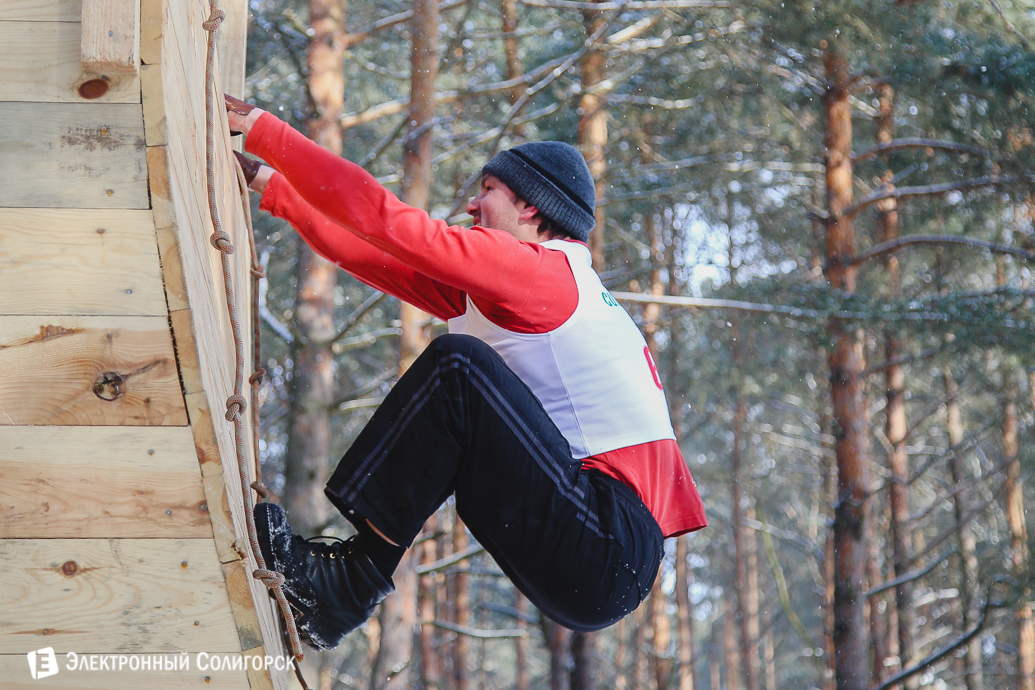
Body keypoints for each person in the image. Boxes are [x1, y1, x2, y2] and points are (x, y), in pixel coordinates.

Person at [225, 95, 707, 651]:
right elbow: (370, 252)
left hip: (606, 540)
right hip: (597, 559)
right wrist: (271, 186)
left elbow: (384, 219)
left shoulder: (541, 274)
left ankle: (348, 584)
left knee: (458, 367)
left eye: (489, 190)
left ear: (531, 208)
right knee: (461, 381)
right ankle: (339, 589)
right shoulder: (520, 291)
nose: (473, 205)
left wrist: (265, 130)